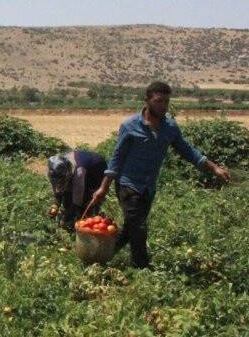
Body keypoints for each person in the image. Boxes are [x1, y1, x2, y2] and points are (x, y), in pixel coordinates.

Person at [86, 81, 231, 269]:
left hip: (148, 187)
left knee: (131, 229)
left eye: (166, 102)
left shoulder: (169, 127)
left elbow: (187, 150)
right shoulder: (130, 126)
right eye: (159, 101)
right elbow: (117, 158)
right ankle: (143, 270)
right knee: (139, 229)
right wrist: (103, 187)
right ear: (147, 100)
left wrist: (214, 168)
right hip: (128, 185)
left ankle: (99, 258)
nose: (163, 106)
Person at [47, 150, 107, 229]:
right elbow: (57, 187)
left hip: (96, 169)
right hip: (80, 166)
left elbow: (77, 200)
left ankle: (90, 215)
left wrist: (67, 217)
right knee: (67, 199)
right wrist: (56, 203)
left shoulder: (79, 172)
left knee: (86, 201)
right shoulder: (55, 171)